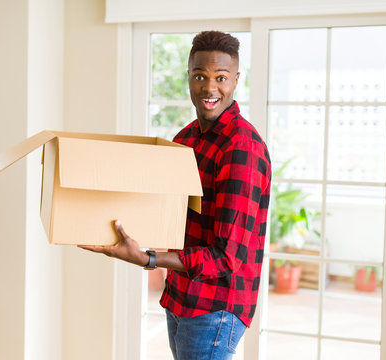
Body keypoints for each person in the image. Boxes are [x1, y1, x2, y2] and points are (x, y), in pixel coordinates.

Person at [79, 31, 271, 360]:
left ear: (236, 80)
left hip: (215, 307)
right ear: (189, 77)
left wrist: (148, 259)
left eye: (221, 78)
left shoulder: (242, 148)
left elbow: (227, 258)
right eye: (200, 76)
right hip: (182, 295)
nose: (210, 88)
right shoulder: (187, 137)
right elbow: (163, 208)